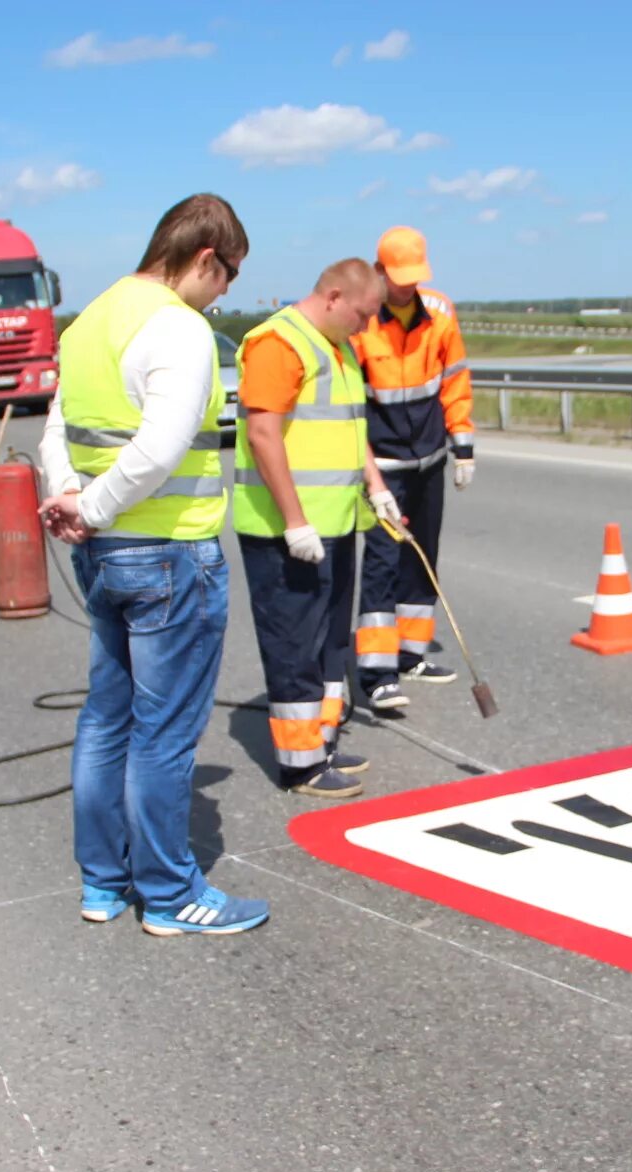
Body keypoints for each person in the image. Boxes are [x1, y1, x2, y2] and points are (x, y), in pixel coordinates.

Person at [36, 193, 270, 936]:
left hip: (101, 557)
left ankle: (103, 885)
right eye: (228, 275)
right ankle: (170, 897)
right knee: (164, 732)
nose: (226, 291)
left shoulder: (91, 321)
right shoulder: (180, 327)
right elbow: (163, 445)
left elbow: (56, 434)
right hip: (170, 553)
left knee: (107, 720)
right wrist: (96, 507)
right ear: (206, 257)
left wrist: (70, 499)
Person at [234, 258, 400, 799]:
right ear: (333, 297)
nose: (366, 327)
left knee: (330, 642)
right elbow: (263, 435)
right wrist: (295, 522)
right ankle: (300, 763)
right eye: (362, 314)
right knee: (294, 644)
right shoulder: (279, 344)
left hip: (335, 523)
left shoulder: (337, 345)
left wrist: (375, 486)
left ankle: (321, 741)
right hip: (287, 532)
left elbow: (352, 430)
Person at [349, 227, 475, 712]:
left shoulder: (440, 312)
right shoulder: (362, 322)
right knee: (382, 561)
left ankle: (411, 654)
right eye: (397, 278)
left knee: (423, 554)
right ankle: (377, 674)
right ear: (379, 271)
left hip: (430, 458)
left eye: (412, 278)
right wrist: (365, 474)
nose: (406, 287)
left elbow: (455, 381)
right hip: (383, 466)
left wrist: (462, 447)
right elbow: (352, 401)